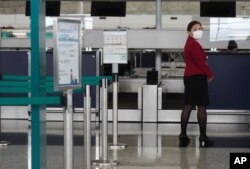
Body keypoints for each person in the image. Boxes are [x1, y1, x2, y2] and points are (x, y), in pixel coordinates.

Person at [179, 21, 214, 147]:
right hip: (197, 78)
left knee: (188, 105)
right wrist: (210, 74)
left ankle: (183, 134)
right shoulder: (193, 44)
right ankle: (203, 136)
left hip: (189, 77)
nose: (198, 30)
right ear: (189, 32)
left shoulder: (189, 43)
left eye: (200, 28)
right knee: (202, 107)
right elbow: (199, 62)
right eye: (195, 29)